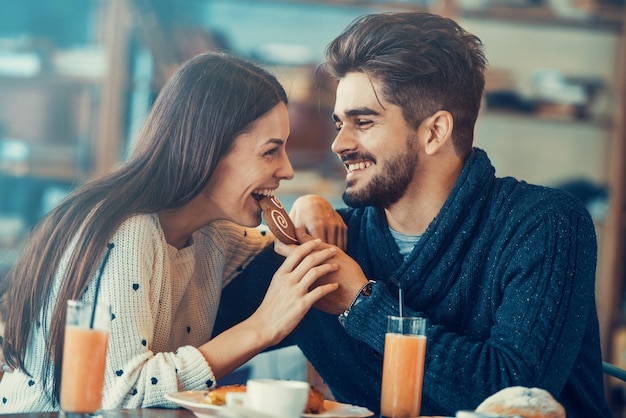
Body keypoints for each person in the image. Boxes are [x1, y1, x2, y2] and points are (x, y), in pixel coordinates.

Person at [214, 12, 612, 417]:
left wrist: (360, 301)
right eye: (339, 124)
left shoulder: (546, 224)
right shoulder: (323, 243)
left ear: (434, 132)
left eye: (363, 122)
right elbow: (184, 335)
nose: (339, 144)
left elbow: (511, 395)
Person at [0, 51, 343, 412]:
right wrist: (262, 327)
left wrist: (311, 204)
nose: (287, 170)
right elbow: (118, 394)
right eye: (270, 152)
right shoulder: (127, 231)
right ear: (209, 147)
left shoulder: (214, 236)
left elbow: (290, 243)